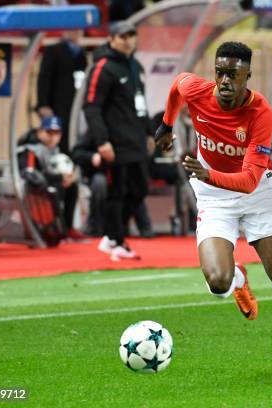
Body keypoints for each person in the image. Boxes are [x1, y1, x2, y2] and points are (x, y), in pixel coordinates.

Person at [154, 42, 272, 376]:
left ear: (248, 76)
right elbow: (177, 85)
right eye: (219, 72)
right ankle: (238, 277)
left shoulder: (261, 114)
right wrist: (167, 124)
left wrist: (207, 173)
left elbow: (248, 180)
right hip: (214, 199)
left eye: (232, 74)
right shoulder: (197, 91)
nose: (224, 81)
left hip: (257, 196)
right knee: (217, 283)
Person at [83, 21, 154, 260]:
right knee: (117, 192)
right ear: (112, 39)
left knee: (140, 189)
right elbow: (91, 107)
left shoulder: (134, 66)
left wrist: (148, 133)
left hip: (135, 141)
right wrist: (102, 141)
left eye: (131, 35)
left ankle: (113, 236)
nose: (128, 40)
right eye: (123, 36)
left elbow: (140, 104)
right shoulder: (102, 67)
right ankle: (114, 239)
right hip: (115, 143)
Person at [17, 116, 83, 239]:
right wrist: (59, 177)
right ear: (40, 132)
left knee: (72, 187)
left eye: (57, 133)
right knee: (55, 190)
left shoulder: (55, 150)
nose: (53, 137)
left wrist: (66, 177)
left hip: (51, 182)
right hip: (32, 187)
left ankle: (68, 227)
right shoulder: (30, 149)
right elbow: (30, 174)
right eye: (49, 132)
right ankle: (53, 228)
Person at [37, 29, 87, 154]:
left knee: (74, 134)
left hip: (75, 103)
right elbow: (44, 78)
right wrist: (43, 104)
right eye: (73, 29)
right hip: (57, 104)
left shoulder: (81, 53)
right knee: (57, 137)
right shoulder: (53, 50)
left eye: (79, 30)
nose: (76, 33)